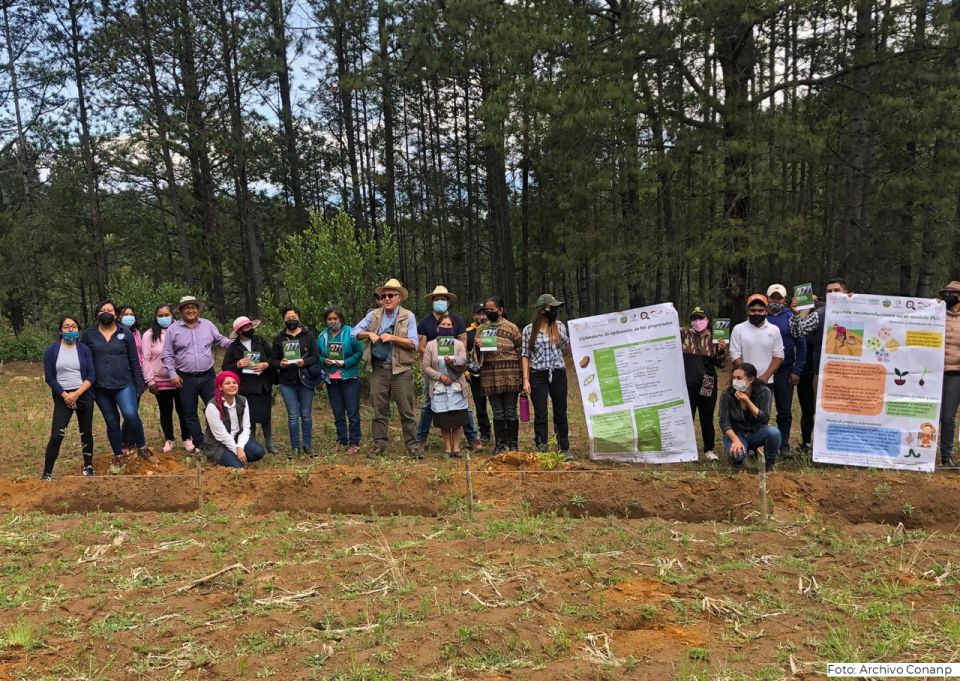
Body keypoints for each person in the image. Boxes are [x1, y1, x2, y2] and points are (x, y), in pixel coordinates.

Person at [81, 300, 156, 466]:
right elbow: (83, 361)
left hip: (124, 384)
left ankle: (142, 447)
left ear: (116, 314)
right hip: (100, 387)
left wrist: (138, 385)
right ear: (97, 314)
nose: (106, 312)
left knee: (131, 415)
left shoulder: (125, 333)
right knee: (112, 421)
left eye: (110, 310)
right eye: (102, 310)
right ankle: (118, 455)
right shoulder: (88, 335)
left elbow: (134, 360)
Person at [352, 278, 422, 458]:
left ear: (399, 298)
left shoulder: (409, 316)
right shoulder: (374, 315)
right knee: (379, 410)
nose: (387, 298)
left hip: (401, 370)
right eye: (384, 296)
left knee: (406, 410)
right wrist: (370, 334)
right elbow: (354, 333)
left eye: (391, 295)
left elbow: (414, 343)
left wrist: (393, 339)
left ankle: (413, 445)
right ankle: (379, 445)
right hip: (379, 369)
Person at [161, 296, 233, 450]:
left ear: (198, 309)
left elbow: (221, 341)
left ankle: (217, 439)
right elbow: (167, 354)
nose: (190, 310)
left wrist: (238, 343)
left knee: (216, 408)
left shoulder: (207, 325)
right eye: (186, 307)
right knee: (189, 412)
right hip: (185, 378)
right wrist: (173, 375)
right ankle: (200, 444)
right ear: (180, 311)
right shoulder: (173, 330)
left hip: (208, 376)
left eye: (193, 307)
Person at [417, 285, 482, 450]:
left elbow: (463, 343)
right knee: (428, 403)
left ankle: (472, 438)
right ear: (432, 301)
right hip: (433, 369)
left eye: (443, 299)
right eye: (436, 298)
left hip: (455, 369)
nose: (440, 301)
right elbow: (421, 346)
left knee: (462, 403)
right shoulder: (425, 322)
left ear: (448, 301)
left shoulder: (457, 320)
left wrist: (454, 362)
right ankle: (421, 438)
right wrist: (434, 359)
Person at [789, 277, 850, 453]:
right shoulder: (820, 314)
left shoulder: (860, 310)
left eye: (836, 290)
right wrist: (795, 314)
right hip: (823, 373)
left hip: (852, 374)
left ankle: (844, 449)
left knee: (846, 413)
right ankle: (820, 449)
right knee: (822, 411)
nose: (833, 294)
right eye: (829, 291)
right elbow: (798, 331)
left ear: (845, 292)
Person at [41, 316, 96, 478]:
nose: (70, 329)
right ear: (60, 330)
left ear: (78, 329)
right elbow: (50, 377)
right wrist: (66, 396)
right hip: (62, 396)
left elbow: (92, 375)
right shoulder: (51, 351)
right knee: (57, 434)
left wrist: (77, 394)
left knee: (86, 432)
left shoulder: (85, 350)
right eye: (66, 327)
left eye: (73, 326)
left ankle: (88, 466)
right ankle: (47, 472)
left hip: (83, 394)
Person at [521, 294, 571, 459]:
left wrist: (573, 339)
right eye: (552, 308)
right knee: (541, 412)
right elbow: (525, 355)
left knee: (560, 411)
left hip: (557, 372)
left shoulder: (560, 327)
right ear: (543, 310)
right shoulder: (529, 330)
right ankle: (541, 445)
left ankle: (563, 447)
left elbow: (568, 350)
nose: (555, 311)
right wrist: (526, 380)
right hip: (538, 374)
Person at [472, 296, 523, 453]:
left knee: (510, 410)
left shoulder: (512, 328)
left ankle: (513, 444)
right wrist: (478, 346)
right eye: (487, 310)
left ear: (501, 310)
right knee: (497, 412)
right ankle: (500, 444)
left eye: (491, 310)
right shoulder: (481, 329)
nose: (488, 312)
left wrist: (523, 376)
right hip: (490, 376)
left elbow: (521, 352)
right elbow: (476, 356)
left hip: (511, 375)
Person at [142, 305, 193, 452]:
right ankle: (169, 439)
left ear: (172, 315)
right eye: (160, 315)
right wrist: (150, 381)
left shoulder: (180, 330)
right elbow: (146, 359)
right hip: (161, 380)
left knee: (183, 410)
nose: (164, 318)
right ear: (156, 317)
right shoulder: (149, 334)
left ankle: (187, 438)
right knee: (166, 411)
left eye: (166, 315)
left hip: (180, 378)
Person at [764, 284, 807, 458]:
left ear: (785, 299)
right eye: (772, 297)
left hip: (785, 370)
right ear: (767, 299)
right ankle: (761, 443)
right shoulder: (760, 316)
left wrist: (797, 370)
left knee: (784, 410)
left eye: (779, 298)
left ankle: (783, 444)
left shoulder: (792, 317)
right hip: (763, 371)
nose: (775, 301)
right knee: (761, 410)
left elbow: (801, 345)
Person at [270, 306, 319, 458]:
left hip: (305, 380)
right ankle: (295, 447)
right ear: (284, 320)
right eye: (288, 318)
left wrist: (303, 363)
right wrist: (280, 364)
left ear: (299, 318)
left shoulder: (308, 335)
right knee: (292, 415)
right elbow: (273, 360)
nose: (291, 320)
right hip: (287, 382)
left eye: (294, 317)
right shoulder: (279, 338)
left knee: (306, 414)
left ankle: (307, 445)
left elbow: (315, 357)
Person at [680, 306, 727, 461]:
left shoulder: (715, 338)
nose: (697, 321)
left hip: (707, 381)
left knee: (706, 417)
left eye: (701, 318)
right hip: (688, 382)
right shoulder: (683, 334)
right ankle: (686, 450)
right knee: (687, 417)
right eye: (694, 318)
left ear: (707, 319)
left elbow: (721, 364)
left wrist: (721, 351)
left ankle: (709, 450)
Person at [222, 316, 276, 454]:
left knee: (266, 416)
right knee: (249, 418)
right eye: (246, 328)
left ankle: (269, 444)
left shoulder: (261, 341)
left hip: (263, 384)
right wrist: (238, 364)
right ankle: (251, 444)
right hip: (246, 388)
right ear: (239, 331)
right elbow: (225, 367)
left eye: (250, 326)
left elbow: (273, 357)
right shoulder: (233, 347)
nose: (250, 329)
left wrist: (266, 364)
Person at [421, 315, 470, 458]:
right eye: (444, 324)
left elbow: (464, 363)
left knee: (457, 418)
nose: (446, 326)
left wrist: (453, 362)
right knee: (443, 418)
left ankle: (457, 447)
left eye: (449, 325)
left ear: (453, 328)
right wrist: (440, 376)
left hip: (456, 386)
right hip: (439, 386)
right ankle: (448, 448)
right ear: (438, 327)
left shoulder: (458, 344)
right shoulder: (431, 345)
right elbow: (425, 366)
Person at [718, 363, 781, 471]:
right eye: (733, 378)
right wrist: (735, 440)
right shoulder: (727, 394)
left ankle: (769, 463)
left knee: (774, 433)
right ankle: (736, 463)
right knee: (737, 455)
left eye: (739, 378)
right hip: (737, 433)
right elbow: (724, 422)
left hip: (757, 432)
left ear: (751, 379)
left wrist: (747, 401)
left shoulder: (764, 392)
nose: (735, 381)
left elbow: (764, 418)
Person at [318, 306, 363, 454]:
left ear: (341, 319)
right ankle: (342, 440)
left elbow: (359, 351)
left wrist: (345, 362)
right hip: (332, 380)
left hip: (349, 377)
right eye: (329, 319)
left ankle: (354, 442)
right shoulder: (322, 336)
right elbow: (316, 355)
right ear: (326, 320)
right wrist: (325, 360)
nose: (332, 321)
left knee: (352, 412)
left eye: (335, 318)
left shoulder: (351, 333)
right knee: (338, 413)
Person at [202, 370, 266, 468]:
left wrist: (240, 447)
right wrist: (237, 450)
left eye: (234, 383)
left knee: (259, 452)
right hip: (218, 443)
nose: (232, 385)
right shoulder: (212, 406)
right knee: (238, 466)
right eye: (227, 383)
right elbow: (221, 435)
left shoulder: (243, 401)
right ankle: (218, 458)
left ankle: (236, 456)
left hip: (237, 437)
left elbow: (246, 427)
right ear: (220, 387)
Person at [730, 294, 784, 386]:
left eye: (760, 310)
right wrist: (745, 376)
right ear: (747, 311)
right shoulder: (738, 329)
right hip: (742, 380)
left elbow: (778, 356)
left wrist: (765, 377)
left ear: (766, 311)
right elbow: (735, 354)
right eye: (753, 310)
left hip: (766, 381)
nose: (756, 313)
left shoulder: (774, 330)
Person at [938, 281, 960, 468]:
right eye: (945, 293)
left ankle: (946, 456)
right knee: (924, 411)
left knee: (948, 416)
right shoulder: (934, 314)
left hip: (956, 374)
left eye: (951, 293)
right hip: (932, 373)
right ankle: (915, 452)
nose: (947, 296)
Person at [116, 305, 143, 454]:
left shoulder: (137, 333)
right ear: (118, 317)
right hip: (122, 375)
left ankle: (131, 441)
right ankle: (123, 441)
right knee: (128, 412)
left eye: (131, 314)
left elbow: (141, 355)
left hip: (136, 374)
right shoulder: (116, 332)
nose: (129, 317)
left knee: (133, 410)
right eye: (125, 314)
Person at [466, 304, 491, 443]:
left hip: (491, 372)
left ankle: (501, 430)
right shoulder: (468, 331)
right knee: (480, 404)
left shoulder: (492, 330)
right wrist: (465, 372)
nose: (482, 317)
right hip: (475, 373)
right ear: (474, 315)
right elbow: (462, 352)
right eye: (479, 314)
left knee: (495, 404)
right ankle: (485, 432)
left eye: (485, 314)